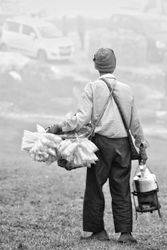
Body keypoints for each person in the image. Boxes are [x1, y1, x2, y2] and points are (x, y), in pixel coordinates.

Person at [48, 48, 148, 244]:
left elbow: (82, 119)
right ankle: (125, 233)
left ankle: (98, 231)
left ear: (96, 65)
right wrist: (142, 146)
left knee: (94, 187)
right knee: (121, 189)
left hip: (101, 145)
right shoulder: (127, 90)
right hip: (123, 147)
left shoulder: (92, 88)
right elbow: (135, 123)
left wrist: (59, 126)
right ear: (115, 64)